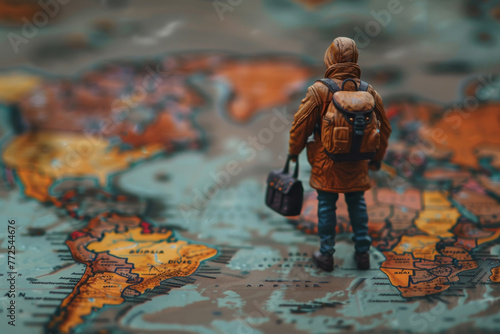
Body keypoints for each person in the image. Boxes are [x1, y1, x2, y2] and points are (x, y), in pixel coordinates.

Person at [288, 37, 391, 271]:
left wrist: (294, 151)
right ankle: (363, 253)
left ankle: (326, 254)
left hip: (327, 163)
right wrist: (376, 158)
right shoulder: (369, 91)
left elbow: (300, 126)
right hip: (358, 162)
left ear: (330, 57)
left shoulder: (319, 90)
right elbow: (384, 128)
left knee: (326, 206)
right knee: (357, 205)